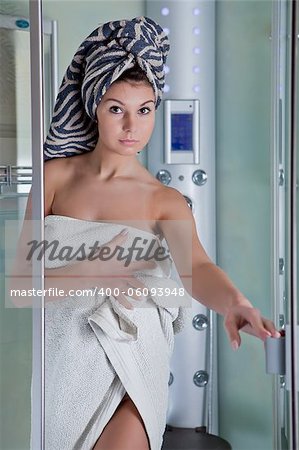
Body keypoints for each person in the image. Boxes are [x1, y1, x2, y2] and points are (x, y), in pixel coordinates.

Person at [14, 16, 279, 450]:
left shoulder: (165, 201)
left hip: (134, 359)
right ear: (94, 105)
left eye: (145, 109)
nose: (131, 126)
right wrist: (92, 274)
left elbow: (196, 267)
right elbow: (22, 287)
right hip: (65, 369)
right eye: (116, 108)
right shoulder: (54, 180)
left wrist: (234, 302)